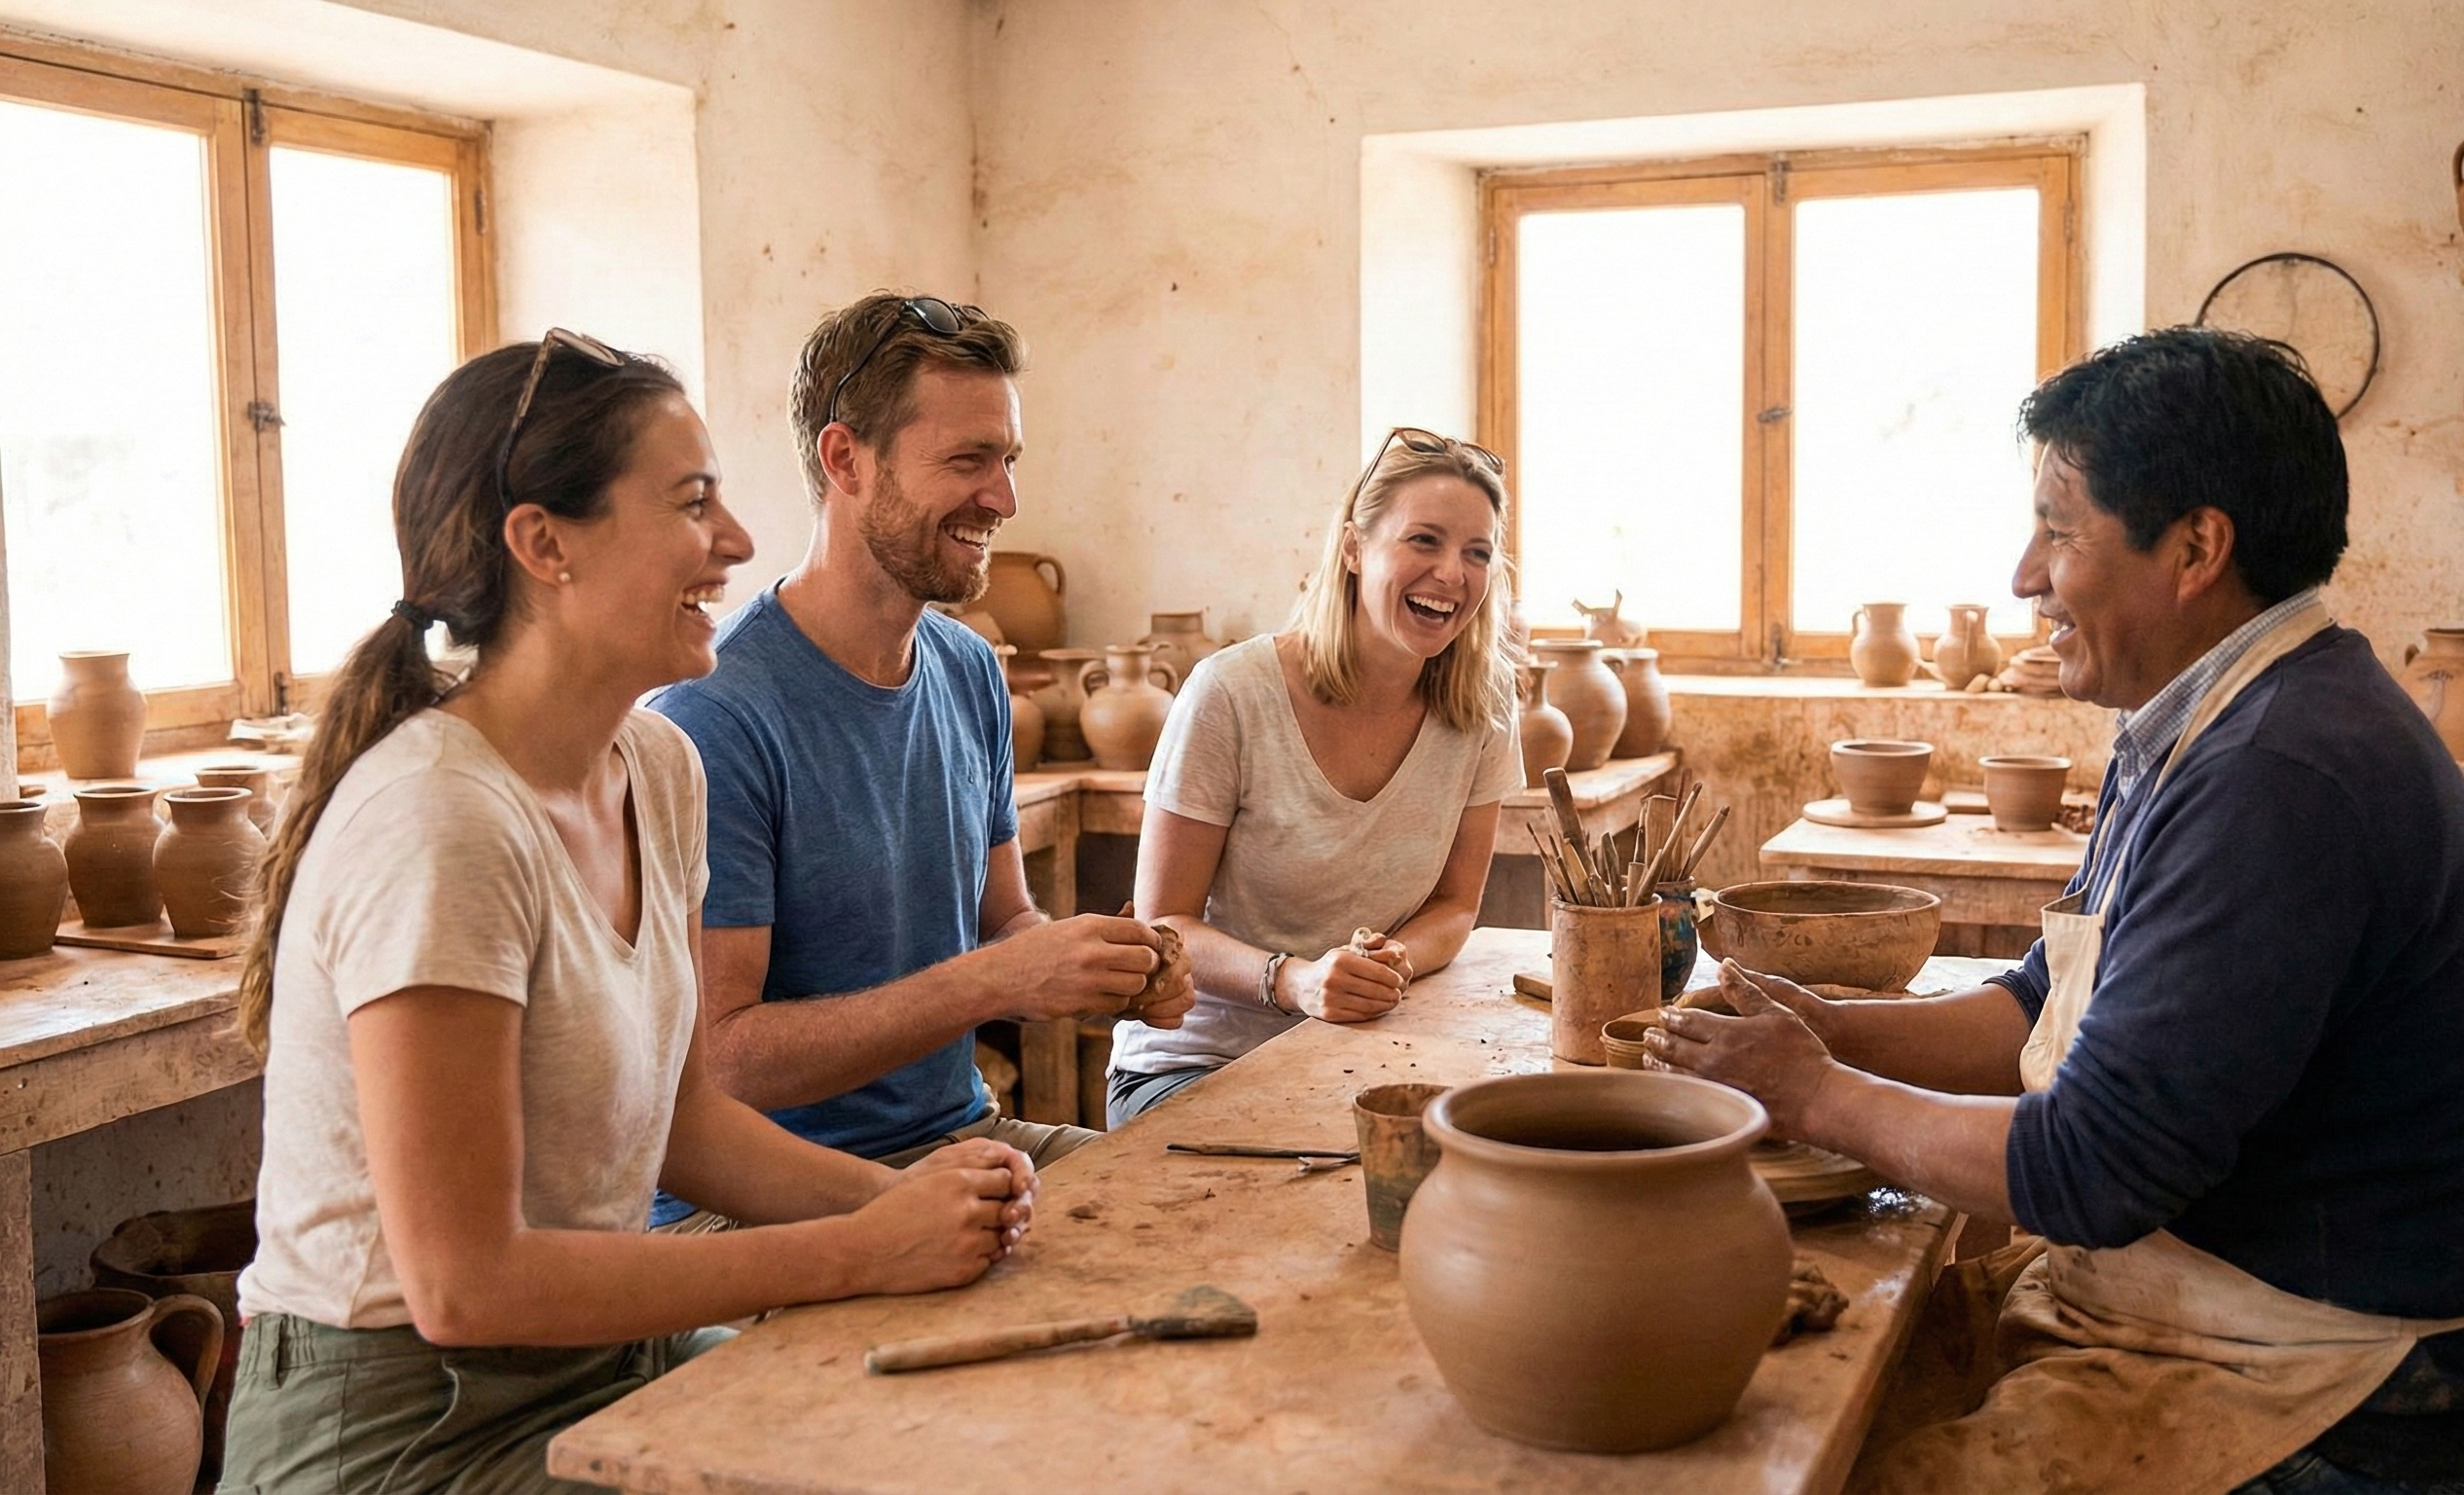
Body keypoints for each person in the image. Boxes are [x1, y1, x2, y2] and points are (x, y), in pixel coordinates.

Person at [1651, 329, 2464, 1495]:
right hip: (2228, 1313)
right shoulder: (2206, 719)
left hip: (2345, 1398)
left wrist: (1815, 1095)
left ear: (2195, 548)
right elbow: (2043, 1006)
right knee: (1811, 1402)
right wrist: (1830, 1031)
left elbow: (2090, 1168)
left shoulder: (2277, 775)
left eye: (2058, 532)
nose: (2024, 576)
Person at [222, 333, 1036, 1494]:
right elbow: (463, 1287)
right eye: (691, 502)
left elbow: (679, 1122)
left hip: (599, 1355)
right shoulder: (441, 820)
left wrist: (907, 1203)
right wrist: (855, 1250)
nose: (737, 540)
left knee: (966, 1433)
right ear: (543, 544)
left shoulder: (654, 765)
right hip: (404, 1421)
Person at [649, 293, 1189, 1230]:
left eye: (1009, 460)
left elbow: (1005, 921)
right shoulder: (713, 714)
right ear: (846, 459)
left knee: (1206, 1216)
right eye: (968, 461)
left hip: (960, 1139)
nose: (1005, 499)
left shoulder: (970, 668)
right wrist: (996, 981)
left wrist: (1094, 966)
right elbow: (722, 1062)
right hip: (761, 1202)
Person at [1105, 427, 1523, 1125]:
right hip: (1197, 1064)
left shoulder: (1484, 702)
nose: (1452, 574)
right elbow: (1163, 923)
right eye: (1424, 541)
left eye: (1476, 553)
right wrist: (1294, 982)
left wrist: (1392, 962)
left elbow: (1456, 905)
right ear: (1354, 548)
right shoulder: (1231, 692)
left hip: (1358, 1056)